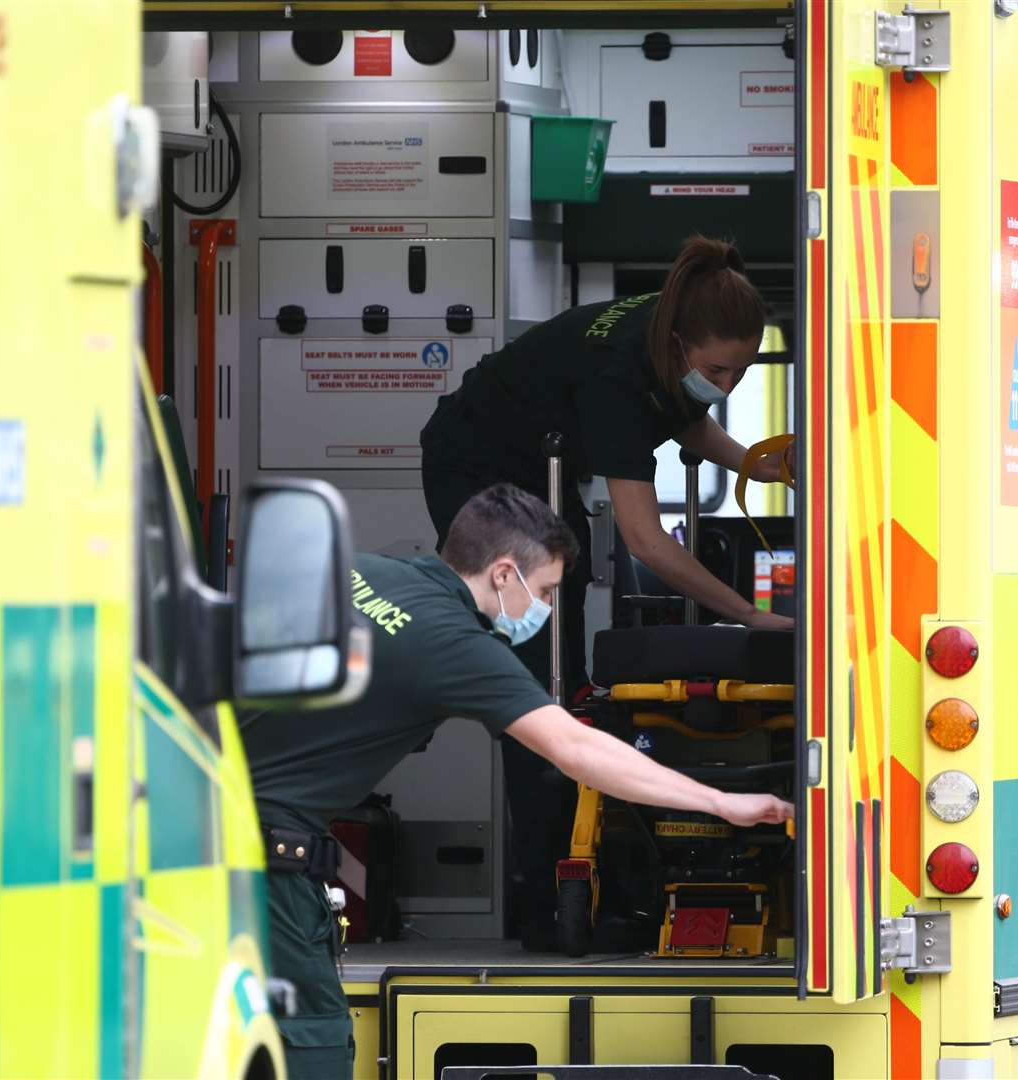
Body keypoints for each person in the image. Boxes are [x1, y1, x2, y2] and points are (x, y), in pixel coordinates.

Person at [242, 483, 793, 1078]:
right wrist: (719, 800)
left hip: (185, 822)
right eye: (549, 590)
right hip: (263, 868)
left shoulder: (361, 570)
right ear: (504, 574)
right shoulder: (452, 642)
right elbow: (575, 749)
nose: (548, 609)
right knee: (310, 1045)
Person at [418, 235, 794, 947]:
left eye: (743, 370)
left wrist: (757, 464)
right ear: (680, 341)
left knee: (571, 605)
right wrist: (747, 616)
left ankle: (596, 861)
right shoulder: (615, 376)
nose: (730, 383)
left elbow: (684, 415)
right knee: (531, 692)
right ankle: (544, 905)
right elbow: (648, 539)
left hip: (539, 476)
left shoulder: (671, 327)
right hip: (476, 467)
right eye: (718, 368)